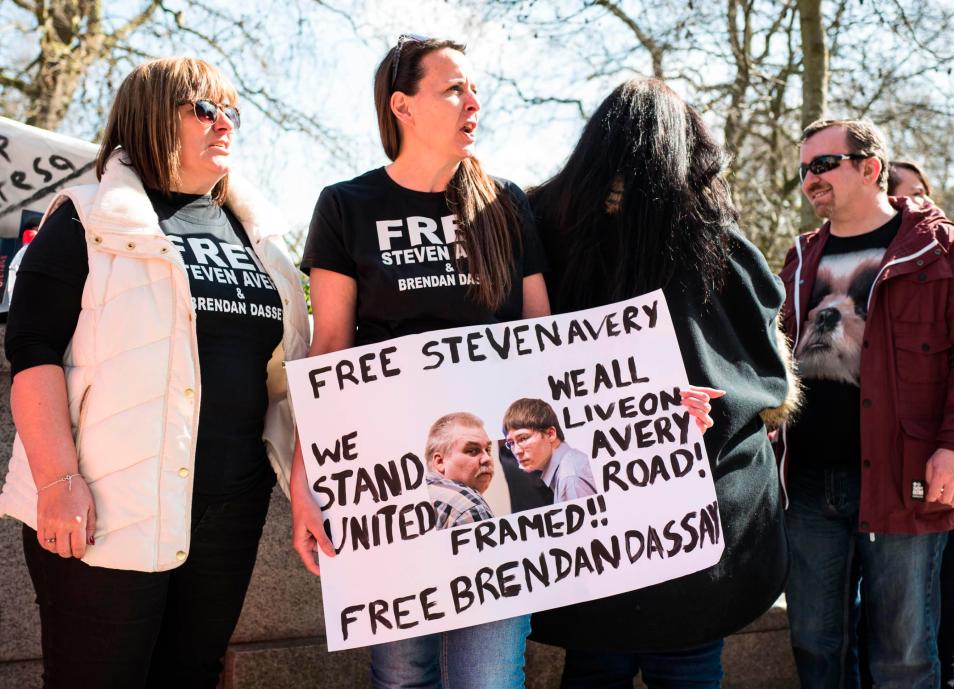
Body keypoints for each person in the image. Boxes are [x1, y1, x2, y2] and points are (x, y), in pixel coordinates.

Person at [0, 57, 309, 689]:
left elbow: (285, 377)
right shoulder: (86, 217)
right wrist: (58, 480)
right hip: (108, 504)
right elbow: (32, 353)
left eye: (232, 112)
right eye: (204, 109)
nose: (225, 124)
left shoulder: (261, 242)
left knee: (190, 676)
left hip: (228, 513)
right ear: (148, 118)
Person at [290, 35, 550, 689]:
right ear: (402, 106)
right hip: (385, 489)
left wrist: (646, 400)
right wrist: (305, 476)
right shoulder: (346, 206)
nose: (474, 103)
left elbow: (548, 339)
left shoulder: (508, 206)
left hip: (499, 491)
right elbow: (329, 352)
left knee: (490, 678)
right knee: (403, 677)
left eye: (474, 89)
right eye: (454, 89)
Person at [526, 78, 796, 689]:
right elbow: (765, 376)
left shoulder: (543, 232)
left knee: (595, 664)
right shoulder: (717, 246)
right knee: (690, 666)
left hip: (584, 523)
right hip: (697, 528)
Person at [781, 118, 954, 689]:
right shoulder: (800, 256)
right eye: (804, 168)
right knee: (814, 645)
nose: (810, 180)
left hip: (902, 476)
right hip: (806, 482)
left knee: (903, 657)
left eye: (822, 165)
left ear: (870, 167)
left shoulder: (940, 251)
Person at [501, 398, 596, 503]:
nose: (517, 451)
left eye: (523, 438)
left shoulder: (569, 478)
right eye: (511, 443)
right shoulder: (568, 465)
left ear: (550, 434)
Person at [424, 412, 497, 528]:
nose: (487, 458)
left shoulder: (417, 499)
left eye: (488, 450)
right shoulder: (469, 506)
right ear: (440, 462)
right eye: (473, 450)